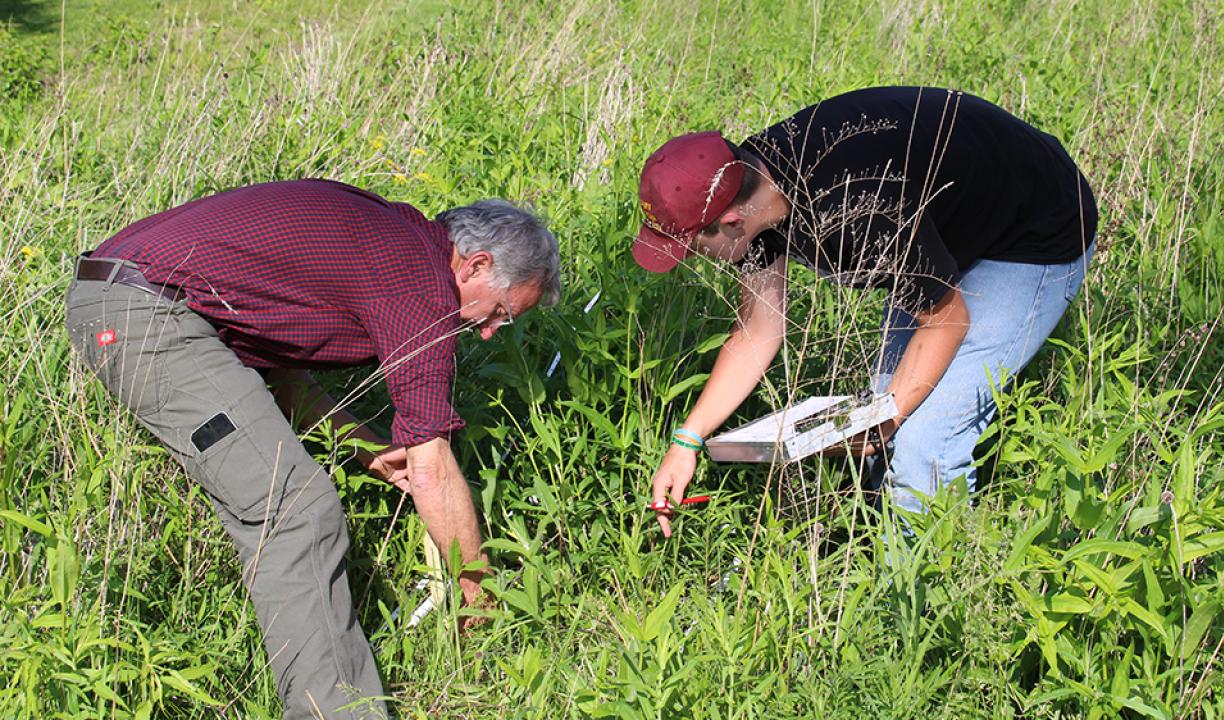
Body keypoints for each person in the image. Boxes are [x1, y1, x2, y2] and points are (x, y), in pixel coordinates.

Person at [64, 179, 561, 718]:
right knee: (295, 511)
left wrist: (368, 450)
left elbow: (284, 383)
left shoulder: (394, 241)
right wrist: (480, 594)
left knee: (291, 499)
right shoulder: (419, 284)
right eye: (503, 313)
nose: (490, 333)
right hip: (143, 314)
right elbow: (432, 469)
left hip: (128, 294)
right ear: (475, 265)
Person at [633, 86, 1096, 536]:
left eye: (693, 248)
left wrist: (887, 421)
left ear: (731, 222)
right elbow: (759, 327)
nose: (693, 261)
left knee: (922, 440)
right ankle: (882, 548)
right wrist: (687, 441)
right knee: (883, 405)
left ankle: (933, 593)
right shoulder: (751, 188)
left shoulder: (855, 211)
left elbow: (946, 320)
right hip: (948, 225)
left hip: (1034, 228)